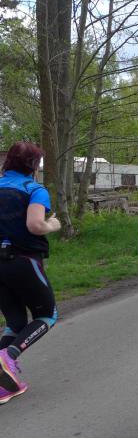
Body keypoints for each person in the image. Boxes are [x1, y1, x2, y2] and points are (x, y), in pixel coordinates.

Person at [0, 142, 61, 404]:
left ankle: (3, 386)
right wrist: (52, 223)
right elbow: (35, 225)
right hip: (23, 260)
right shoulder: (34, 189)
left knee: (15, 322)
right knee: (47, 315)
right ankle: (8, 356)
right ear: (34, 166)